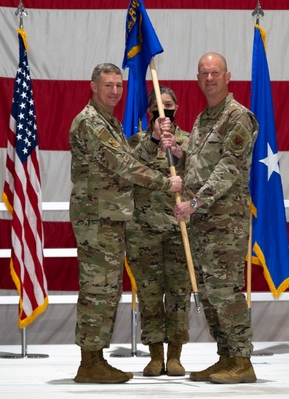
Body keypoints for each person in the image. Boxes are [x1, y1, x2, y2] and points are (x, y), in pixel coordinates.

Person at [69, 63, 183, 384]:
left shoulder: (110, 122)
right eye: (108, 85)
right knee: (97, 290)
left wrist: (152, 136)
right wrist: (165, 183)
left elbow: (131, 157)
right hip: (97, 218)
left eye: (118, 85)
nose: (115, 91)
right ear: (93, 86)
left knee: (106, 290)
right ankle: (89, 362)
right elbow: (124, 166)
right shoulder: (91, 123)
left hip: (110, 218)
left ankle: (95, 358)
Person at [170, 52, 259, 384]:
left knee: (225, 291)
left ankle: (242, 360)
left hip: (225, 220)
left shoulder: (238, 117)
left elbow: (229, 168)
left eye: (215, 73)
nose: (209, 78)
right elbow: (198, 161)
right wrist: (180, 151)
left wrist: (195, 202)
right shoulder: (204, 119)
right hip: (203, 223)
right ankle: (225, 357)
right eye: (204, 73)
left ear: (227, 76)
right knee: (208, 293)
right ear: (198, 79)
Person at [126, 86, 192, 377]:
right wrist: (154, 139)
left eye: (168, 105)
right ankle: (154, 355)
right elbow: (128, 169)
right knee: (151, 296)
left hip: (179, 230)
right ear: (149, 111)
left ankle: (175, 355)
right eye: (157, 105)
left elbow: (198, 172)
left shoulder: (189, 140)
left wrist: (177, 148)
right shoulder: (137, 141)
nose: (162, 110)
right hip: (144, 231)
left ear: (176, 108)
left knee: (178, 295)